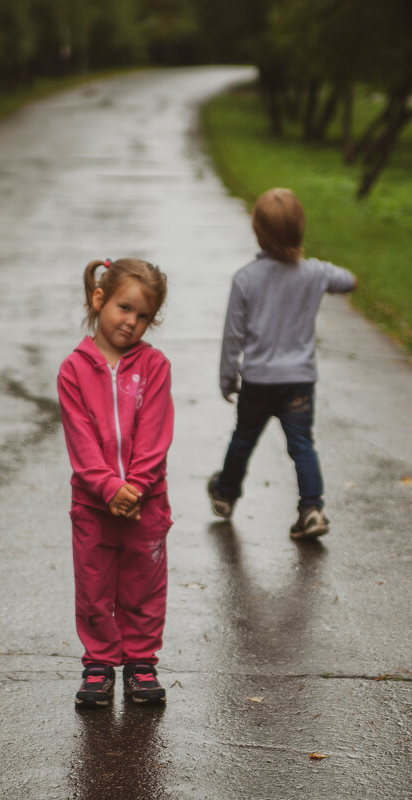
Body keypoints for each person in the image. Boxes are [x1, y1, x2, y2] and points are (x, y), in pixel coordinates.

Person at [207, 188, 358, 539]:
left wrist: (228, 378)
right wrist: (327, 276)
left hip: (258, 382)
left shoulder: (245, 279)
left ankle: (226, 495)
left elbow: (233, 336)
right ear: (300, 230)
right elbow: (348, 281)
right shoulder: (314, 273)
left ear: (257, 230)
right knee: (302, 444)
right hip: (298, 382)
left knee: (243, 440)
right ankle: (312, 509)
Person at [58, 258, 174, 707]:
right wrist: (108, 487)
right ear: (99, 298)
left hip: (147, 502)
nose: (132, 322)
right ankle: (99, 664)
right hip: (93, 504)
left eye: (143, 316)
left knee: (144, 585)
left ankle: (141, 663)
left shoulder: (155, 366)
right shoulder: (74, 369)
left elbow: (156, 432)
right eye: (125, 308)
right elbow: (80, 440)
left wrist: (137, 486)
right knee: (94, 586)